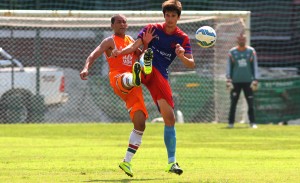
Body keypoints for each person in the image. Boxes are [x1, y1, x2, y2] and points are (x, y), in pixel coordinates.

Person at [113, 0, 195, 175]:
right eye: (167, 15)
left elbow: (191, 64)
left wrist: (181, 55)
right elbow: (135, 45)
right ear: (164, 15)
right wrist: (120, 52)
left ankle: (170, 163)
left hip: (159, 75)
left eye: (173, 16)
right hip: (145, 67)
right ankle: (142, 68)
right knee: (145, 54)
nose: (170, 19)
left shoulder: (182, 38)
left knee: (170, 118)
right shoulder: (152, 28)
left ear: (178, 17)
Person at [79, 14, 153, 177]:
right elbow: (93, 55)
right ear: (112, 25)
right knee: (128, 78)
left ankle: (126, 162)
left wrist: (146, 44)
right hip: (118, 77)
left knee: (140, 124)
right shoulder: (109, 41)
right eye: (119, 22)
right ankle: (134, 77)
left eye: (124, 21)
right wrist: (86, 68)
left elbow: (142, 55)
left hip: (134, 87)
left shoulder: (131, 40)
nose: (122, 24)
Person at [226, 33, 259, 128]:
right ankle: (230, 123)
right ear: (237, 40)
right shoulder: (232, 52)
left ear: (245, 40)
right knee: (233, 103)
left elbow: (254, 66)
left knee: (250, 103)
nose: (242, 41)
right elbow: (229, 67)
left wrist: (256, 79)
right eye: (240, 39)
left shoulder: (251, 51)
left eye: (243, 39)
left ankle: (252, 123)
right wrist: (228, 79)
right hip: (235, 82)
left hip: (248, 82)